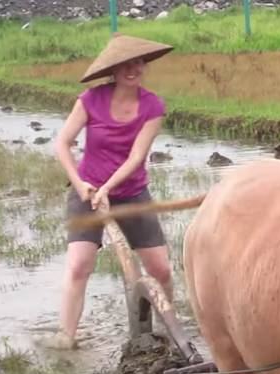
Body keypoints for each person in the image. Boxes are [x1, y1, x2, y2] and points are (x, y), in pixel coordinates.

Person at [36, 34, 175, 350]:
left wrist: (110, 188)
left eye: (138, 63)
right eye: (125, 64)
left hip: (132, 193)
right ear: (113, 70)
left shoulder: (152, 106)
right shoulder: (90, 100)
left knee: (160, 268)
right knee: (78, 265)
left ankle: (170, 329)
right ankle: (66, 336)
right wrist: (82, 184)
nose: (133, 69)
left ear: (144, 67)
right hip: (87, 193)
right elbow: (62, 143)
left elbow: (136, 156)